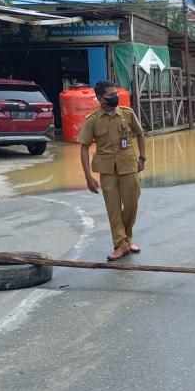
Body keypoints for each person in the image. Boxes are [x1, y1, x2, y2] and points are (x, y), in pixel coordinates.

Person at [78, 80, 147, 261]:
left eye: (115, 93)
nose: (115, 96)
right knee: (113, 209)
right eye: (110, 94)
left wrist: (142, 158)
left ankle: (127, 235)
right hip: (107, 170)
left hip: (129, 165)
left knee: (132, 203)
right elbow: (84, 148)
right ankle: (120, 245)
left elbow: (140, 134)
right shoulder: (92, 120)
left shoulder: (127, 114)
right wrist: (88, 177)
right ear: (100, 98)